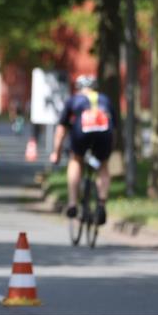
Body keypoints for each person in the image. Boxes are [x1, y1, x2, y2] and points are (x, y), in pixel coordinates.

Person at [49, 74, 113, 224]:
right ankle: (101, 203)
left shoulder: (73, 100)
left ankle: (72, 203)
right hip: (104, 134)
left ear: (78, 88)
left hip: (81, 133)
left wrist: (56, 153)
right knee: (103, 165)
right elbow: (114, 128)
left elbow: (61, 130)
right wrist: (109, 150)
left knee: (76, 160)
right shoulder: (105, 99)